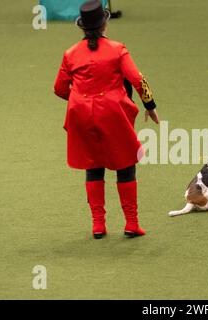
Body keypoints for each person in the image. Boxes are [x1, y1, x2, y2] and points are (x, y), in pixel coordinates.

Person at [54, 0, 159, 239]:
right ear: (104, 25)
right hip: (112, 113)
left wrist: (81, 98)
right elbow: (137, 79)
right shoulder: (117, 49)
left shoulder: (70, 54)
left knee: (93, 165)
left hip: (81, 114)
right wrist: (150, 105)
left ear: (82, 27)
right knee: (125, 164)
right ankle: (132, 223)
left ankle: (98, 225)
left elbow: (60, 89)